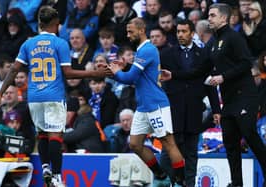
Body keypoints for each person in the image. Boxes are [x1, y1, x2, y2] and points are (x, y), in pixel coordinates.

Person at [0, 6, 111, 187]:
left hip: (34, 97)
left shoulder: (28, 44)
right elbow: (68, 73)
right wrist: (94, 73)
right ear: (56, 24)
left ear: (39, 24)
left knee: (42, 134)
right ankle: (56, 176)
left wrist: (0, 93)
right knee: (55, 135)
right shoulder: (60, 43)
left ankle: (46, 168)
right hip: (53, 95)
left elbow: (14, 69)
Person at [108, 17, 185, 186]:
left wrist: (116, 71)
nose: (128, 35)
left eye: (131, 31)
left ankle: (181, 182)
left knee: (168, 143)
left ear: (141, 30)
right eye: (127, 31)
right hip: (143, 105)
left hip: (156, 104)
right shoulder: (141, 51)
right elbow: (138, 76)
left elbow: (130, 78)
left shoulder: (147, 50)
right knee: (135, 144)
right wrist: (124, 67)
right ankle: (160, 174)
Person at [208, 3, 266, 187]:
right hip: (229, 99)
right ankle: (236, 183)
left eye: (212, 15)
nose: (208, 18)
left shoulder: (234, 37)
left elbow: (246, 64)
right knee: (230, 142)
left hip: (245, 95)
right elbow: (202, 68)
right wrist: (175, 74)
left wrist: (223, 77)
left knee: (249, 133)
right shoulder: (213, 42)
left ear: (223, 18)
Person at [159, 19, 221, 187]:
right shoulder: (166, 55)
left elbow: (209, 84)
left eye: (184, 31)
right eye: (178, 31)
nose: (180, 35)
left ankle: (190, 184)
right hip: (173, 110)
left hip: (194, 110)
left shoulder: (203, 55)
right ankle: (166, 183)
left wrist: (216, 109)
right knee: (169, 152)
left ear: (192, 33)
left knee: (191, 153)